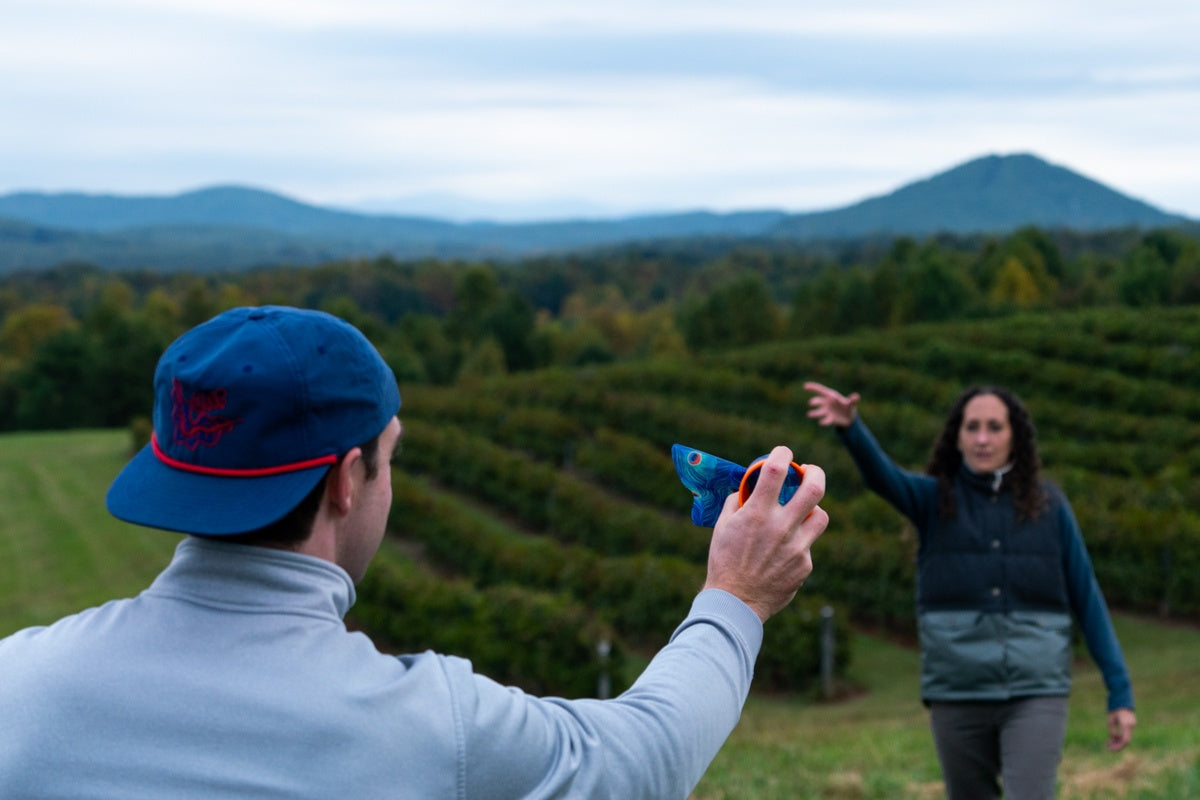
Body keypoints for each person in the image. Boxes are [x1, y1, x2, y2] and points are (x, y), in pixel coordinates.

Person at [0, 305, 829, 800]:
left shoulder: (18, 686)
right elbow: (640, 762)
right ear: (345, 483)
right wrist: (737, 594)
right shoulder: (433, 724)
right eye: (387, 455)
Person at [804, 381, 1135, 800]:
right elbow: (883, 478)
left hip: (1036, 689)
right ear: (956, 436)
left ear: (1014, 434)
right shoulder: (931, 500)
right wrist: (852, 428)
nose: (982, 438)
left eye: (994, 427)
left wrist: (1119, 692)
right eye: (972, 426)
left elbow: (1087, 598)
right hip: (957, 691)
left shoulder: (1052, 507)